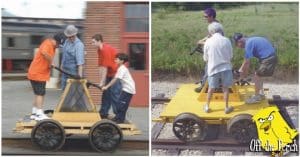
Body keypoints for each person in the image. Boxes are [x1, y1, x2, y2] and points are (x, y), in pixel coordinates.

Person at [28, 32, 65, 120]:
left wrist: (50, 65)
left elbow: (46, 58)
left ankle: (34, 113)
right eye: (59, 45)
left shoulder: (53, 47)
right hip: (38, 73)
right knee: (41, 94)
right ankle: (39, 114)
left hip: (36, 73)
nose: (59, 47)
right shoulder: (47, 44)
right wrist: (51, 62)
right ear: (56, 41)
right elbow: (44, 53)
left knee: (38, 94)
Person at [233, 33, 277, 104]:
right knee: (259, 75)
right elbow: (246, 62)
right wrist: (242, 70)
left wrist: (242, 75)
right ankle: (260, 94)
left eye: (237, 45)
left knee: (257, 76)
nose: (239, 47)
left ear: (239, 42)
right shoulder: (251, 40)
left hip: (268, 58)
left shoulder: (248, 44)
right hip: (270, 57)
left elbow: (247, 62)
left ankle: (256, 97)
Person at [203, 22, 234, 114]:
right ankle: (226, 107)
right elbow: (231, 55)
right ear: (221, 30)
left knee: (211, 88)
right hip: (226, 68)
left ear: (211, 31)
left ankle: (207, 106)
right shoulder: (227, 40)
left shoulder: (208, 41)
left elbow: (205, 58)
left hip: (213, 68)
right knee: (225, 88)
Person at [91, 34, 122, 119]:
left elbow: (104, 68)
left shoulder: (105, 50)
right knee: (106, 94)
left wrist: (102, 82)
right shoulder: (99, 50)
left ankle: (119, 115)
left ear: (99, 41)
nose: (92, 44)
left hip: (116, 74)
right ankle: (103, 113)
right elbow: (101, 67)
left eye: (93, 42)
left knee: (114, 94)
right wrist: (101, 81)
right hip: (110, 74)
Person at [195, 7, 224, 93]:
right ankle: (215, 85)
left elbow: (215, 40)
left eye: (206, 16)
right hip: (215, 50)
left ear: (211, 16)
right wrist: (202, 40)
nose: (204, 18)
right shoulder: (214, 24)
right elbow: (209, 36)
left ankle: (203, 86)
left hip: (216, 50)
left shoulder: (215, 25)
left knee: (208, 68)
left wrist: (203, 43)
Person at [102, 53, 136, 124]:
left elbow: (115, 79)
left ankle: (120, 119)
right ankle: (119, 118)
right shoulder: (120, 68)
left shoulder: (122, 69)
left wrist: (106, 87)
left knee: (121, 104)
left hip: (128, 89)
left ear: (122, 61)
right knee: (120, 104)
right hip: (126, 89)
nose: (115, 60)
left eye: (117, 59)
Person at [61, 25, 85, 90]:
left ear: (75, 34)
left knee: (72, 92)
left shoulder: (79, 45)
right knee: (64, 92)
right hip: (64, 72)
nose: (71, 38)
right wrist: (61, 67)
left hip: (73, 73)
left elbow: (80, 63)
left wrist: (79, 77)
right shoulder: (66, 42)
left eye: (72, 36)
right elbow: (64, 55)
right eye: (69, 37)